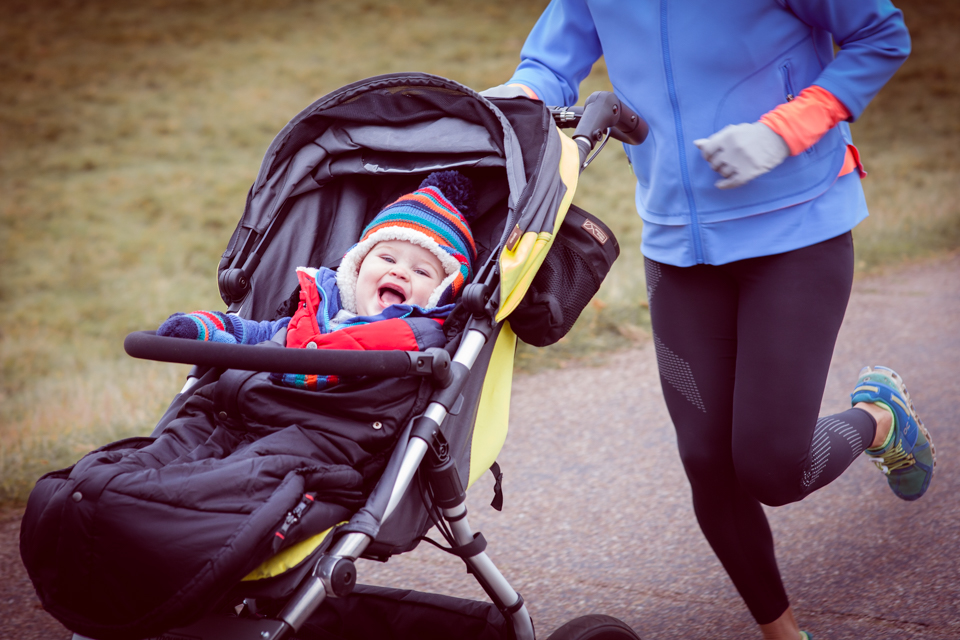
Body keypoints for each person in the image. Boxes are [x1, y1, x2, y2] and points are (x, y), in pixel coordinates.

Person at [484, 2, 933, 639]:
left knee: (774, 469)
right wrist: (515, 95)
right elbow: (552, 63)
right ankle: (784, 635)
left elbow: (880, 34)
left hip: (798, 228)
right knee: (707, 460)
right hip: (675, 242)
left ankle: (882, 416)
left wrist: (785, 129)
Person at [157, 169, 477, 389]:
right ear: (356, 267)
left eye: (421, 272)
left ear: (442, 293)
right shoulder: (324, 309)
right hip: (257, 411)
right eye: (387, 258)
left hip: (327, 432)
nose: (399, 271)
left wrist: (243, 360)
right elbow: (269, 334)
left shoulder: (419, 337)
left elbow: (333, 363)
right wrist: (212, 330)